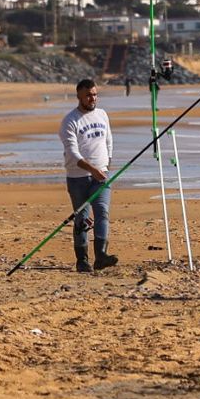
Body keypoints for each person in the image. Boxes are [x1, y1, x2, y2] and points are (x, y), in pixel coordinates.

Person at [59, 78, 118, 274]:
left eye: (94, 94)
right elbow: (73, 153)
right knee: (82, 218)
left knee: (102, 213)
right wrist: (92, 169)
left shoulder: (102, 114)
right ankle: (82, 260)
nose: (92, 98)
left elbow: (108, 140)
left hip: (101, 176)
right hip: (78, 177)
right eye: (88, 95)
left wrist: (107, 163)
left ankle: (101, 255)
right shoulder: (70, 121)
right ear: (79, 96)